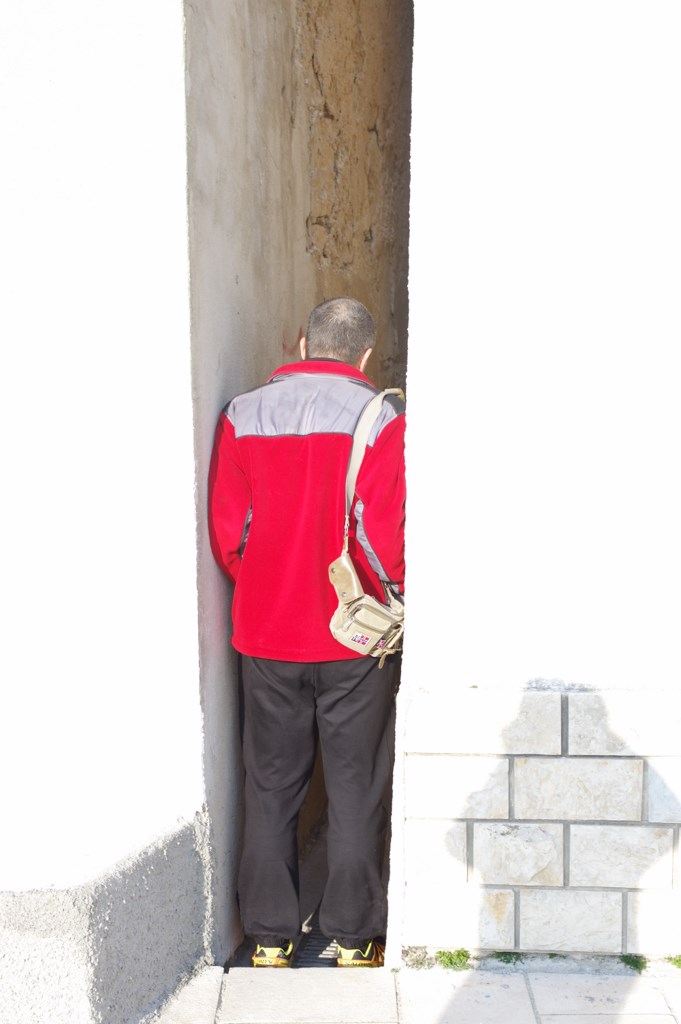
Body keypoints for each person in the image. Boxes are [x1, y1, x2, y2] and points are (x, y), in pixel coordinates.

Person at [208, 297, 406, 968]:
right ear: (365, 355)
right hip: (353, 639)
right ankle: (352, 938)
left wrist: (266, 584)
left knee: (269, 785)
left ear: (301, 342)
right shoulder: (382, 419)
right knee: (355, 787)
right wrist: (389, 600)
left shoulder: (242, 414)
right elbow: (383, 535)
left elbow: (229, 533)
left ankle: (269, 937)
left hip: (265, 634)